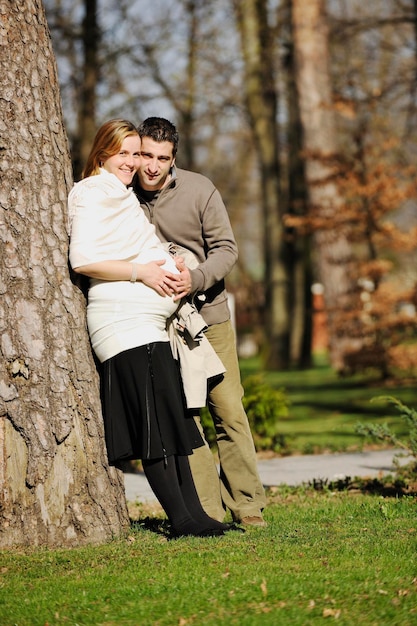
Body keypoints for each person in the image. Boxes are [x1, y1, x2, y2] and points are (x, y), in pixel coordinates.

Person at [68, 118, 232, 538]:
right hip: (123, 325)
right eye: (122, 152)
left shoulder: (118, 194)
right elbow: (83, 260)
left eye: (135, 153)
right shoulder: (91, 191)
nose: (131, 162)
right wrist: (143, 272)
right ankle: (181, 520)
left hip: (148, 325)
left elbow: (137, 244)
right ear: (102, 153)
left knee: (172, 423)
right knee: (154, 430)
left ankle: (199, 517)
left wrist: (172, 262)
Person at [133, 117, 267, 527]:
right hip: (155, 326)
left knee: (227, 409)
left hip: (208, 318)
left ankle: (247, 505)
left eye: (162, 158)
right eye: (146, 156)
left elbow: (226, 249)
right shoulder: (121, 194)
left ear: (174, 158)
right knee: (186, 418)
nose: (153, 167)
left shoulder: (199, 188)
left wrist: (196, 279)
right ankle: (206, 509)